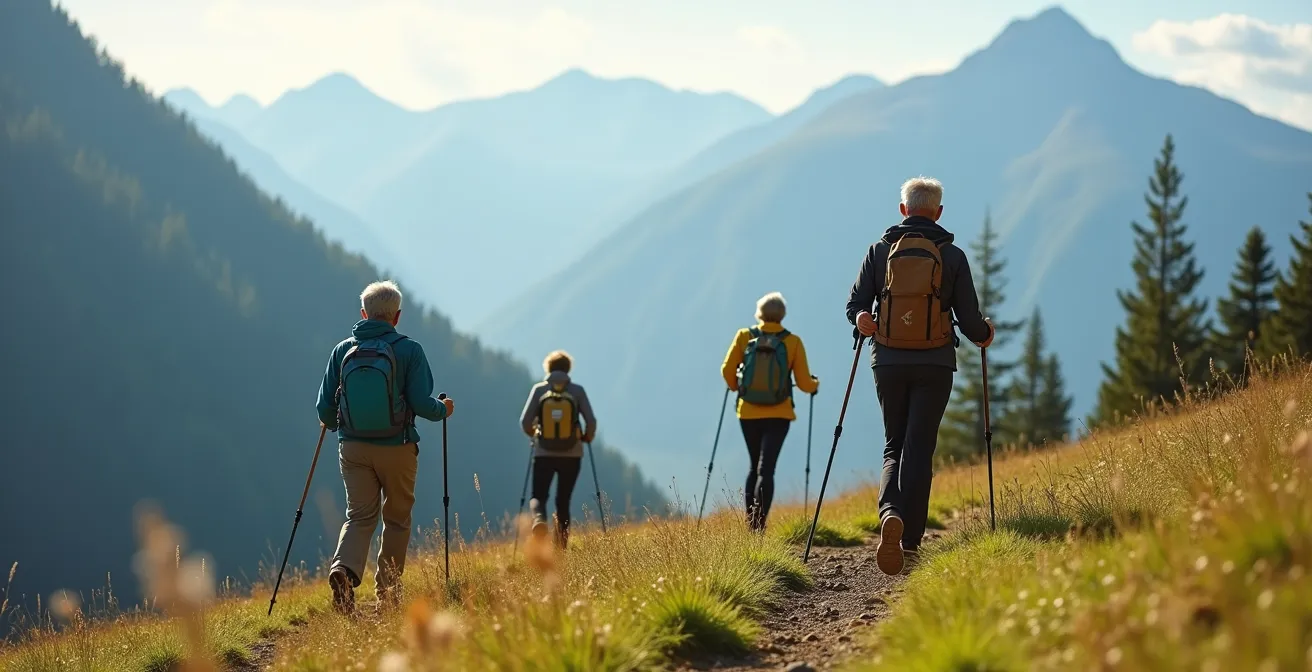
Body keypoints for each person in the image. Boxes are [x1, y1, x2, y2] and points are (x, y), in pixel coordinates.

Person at [845, 176, 993, 576]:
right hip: (935, 363)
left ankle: (890, 513)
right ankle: (909, 544)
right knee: (919, 448)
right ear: (938, 213)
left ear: (903, 210)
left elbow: (856, 305)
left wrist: (862, 319)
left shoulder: (880, 251)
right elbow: (970, 321)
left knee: (893, 445)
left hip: (888, 362)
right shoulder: (953, 256)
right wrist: (986, 333)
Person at [316, 280, 454, 613]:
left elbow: (324, 408)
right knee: (396, 519)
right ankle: (387, 596)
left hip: (353, 449)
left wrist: (338, 425)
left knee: (359, 516)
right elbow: (422, 404)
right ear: (397, 316)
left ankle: (344, 569)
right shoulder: (410, 350)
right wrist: (443, 409)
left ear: (363, 313)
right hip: (397, 447)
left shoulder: (342, 350)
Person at [721, 292, 819, 532]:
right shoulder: (792, 342)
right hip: (779, 414)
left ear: (759, 313)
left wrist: (737, 388)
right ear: (782, 315)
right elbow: (804, 383)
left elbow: (727, 370)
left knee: (753, 466)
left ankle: (751, 525)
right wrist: (815, 385)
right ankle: (760, 524)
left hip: (748, 413)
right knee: (767, 470)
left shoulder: (744, 336)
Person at [519, 350, 597, 549]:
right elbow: (591, 421)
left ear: (548, 368)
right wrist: (586, 437)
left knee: (538, 496)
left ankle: (539, 521)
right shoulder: (577, 391)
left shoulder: (539, 390)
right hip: (572, 454)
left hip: (543, 453)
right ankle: (560, 549)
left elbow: (525, 422)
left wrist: (535, 434)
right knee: (563, 501)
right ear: (568, 369)